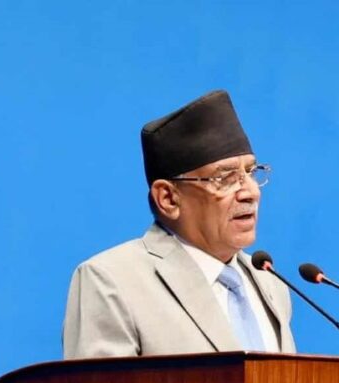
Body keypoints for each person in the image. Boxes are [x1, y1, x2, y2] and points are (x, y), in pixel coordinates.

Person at [63, 90, 296, 358]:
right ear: (169, 198)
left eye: (251, 172)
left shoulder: (269, 282)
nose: (251, 192)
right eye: (226, 178)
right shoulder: (111, 281)